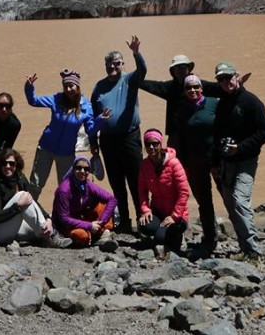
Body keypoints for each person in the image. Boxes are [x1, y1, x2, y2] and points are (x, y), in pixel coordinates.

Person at [212, 61, 265, 261]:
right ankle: (244, 247)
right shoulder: (222, 104)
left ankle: (253, 250)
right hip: (226, 162)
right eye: (221, 79)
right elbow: (217, 133)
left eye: (228, 77)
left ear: (237, 76)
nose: (225, 82)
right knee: (230, 203)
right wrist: (216, 161)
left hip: (246, 160)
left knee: (240, 200)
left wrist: (241, 147)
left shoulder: (251, 102)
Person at [138, 53, 250, 154]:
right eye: (177, 68)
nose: (180, 70)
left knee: (203, 167)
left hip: (198, 133)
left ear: (188, 68)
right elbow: (150, 85)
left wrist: (237, 84)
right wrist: (131, 80)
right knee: (174, 166)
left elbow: (221, 89)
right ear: (173, 71)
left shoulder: (199, 84)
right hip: (176, 134)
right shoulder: (170, 88)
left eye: (183, 67)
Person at [91, 35, 146, 233]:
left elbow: (143, 70)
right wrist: (93, 141)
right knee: (116, 182)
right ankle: (124, 220)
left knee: (136, 180)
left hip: (129, 138)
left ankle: (143, 219)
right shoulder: (99, 87)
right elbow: (93, 116)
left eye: (116, 64)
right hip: (107, 140)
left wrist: (136, 53)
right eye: (109, 64)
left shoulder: (130, 79)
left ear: (122, 64)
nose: (112, 67)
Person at [25, 68, 109, 196]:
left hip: (66, 153)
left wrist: (100, 120)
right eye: (65, 86)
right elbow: (34, 101)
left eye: (71, 86)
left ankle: (62, 215)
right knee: (35, 184)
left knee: (65, 188)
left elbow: (90, 130)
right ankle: (28, 211)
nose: (68, 89)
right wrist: (29, 87)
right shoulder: (57, 99)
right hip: (45, 148)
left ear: (78, 86)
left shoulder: (86, 106)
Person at [0, 148, 71, 247]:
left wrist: (47, 219)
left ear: (16, 165)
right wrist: (18, 206)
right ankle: (51, 237)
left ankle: (49, 234)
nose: (8, 166)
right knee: (22, 195)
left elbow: (32, 201)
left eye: (11, 163)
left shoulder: (20, 179)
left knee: (43, 225)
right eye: (4, 163)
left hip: (16, 228)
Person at [176, 74, 219, 258]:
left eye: (196, 87)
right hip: (194, 163)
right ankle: (210, 239)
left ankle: (245, 240)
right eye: (188, 88)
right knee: (204, 203)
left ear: (202, 88)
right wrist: (183, 164)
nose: (192, 90)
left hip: (217, 160)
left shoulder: (214, 103)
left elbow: (224, 128)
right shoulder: (183, 109)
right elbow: (181, 139)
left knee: (230, 198)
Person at [138, 128, 190, 253]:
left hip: (177, 214)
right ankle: (164, 233)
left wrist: (174, 216)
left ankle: (175, 235)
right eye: (148, 144)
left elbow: (184, 192)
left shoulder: (174, 164)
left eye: (155, 143)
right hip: (158, 211)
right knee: (144, 226)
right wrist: (146, 210)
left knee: (160, 238)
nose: (151, 147)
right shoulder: (145, 165)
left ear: (161, 144)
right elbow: (142, 190)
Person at [52, 156, 117, 247]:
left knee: (102, 205)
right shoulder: (64, 190)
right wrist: (89, 226)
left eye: (86, 169)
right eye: (79, 168)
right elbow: (64, 219)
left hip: (81, 218)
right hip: (66, 225)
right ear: (73, 169)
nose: (82, 171)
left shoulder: (87, 184)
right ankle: (95, 237)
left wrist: (100, 223)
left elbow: (111, 199)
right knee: (81, 236)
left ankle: (102, 234)